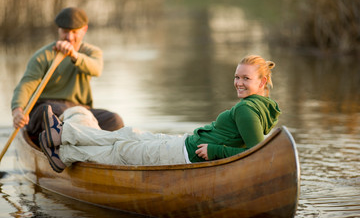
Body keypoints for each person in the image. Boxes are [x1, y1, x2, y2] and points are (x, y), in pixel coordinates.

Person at [38, 55, 281, 173]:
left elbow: (257, 154)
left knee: (123, 150)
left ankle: (65, 150)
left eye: (246, 78)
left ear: (263, 81)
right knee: (129, 133)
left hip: (182, 154)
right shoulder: (261, 106)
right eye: (237, 76)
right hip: (184, 144)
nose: (238, 82)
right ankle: (63, 135)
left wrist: (216, 151)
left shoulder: (247, 110)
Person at [11, 7, 124, 143]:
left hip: (81, 111)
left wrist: (74, 55)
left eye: (74, 32)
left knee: (114, 120)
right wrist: (17, 110)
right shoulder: (43, 56)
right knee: (51, 112)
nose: (69, 37)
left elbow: (96, 69)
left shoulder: (92, 52)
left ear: (84, 30)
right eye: (65, 32)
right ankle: (57, 145)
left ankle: (85, 144)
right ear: (58, 30)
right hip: (47, 109)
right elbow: (25, 85)